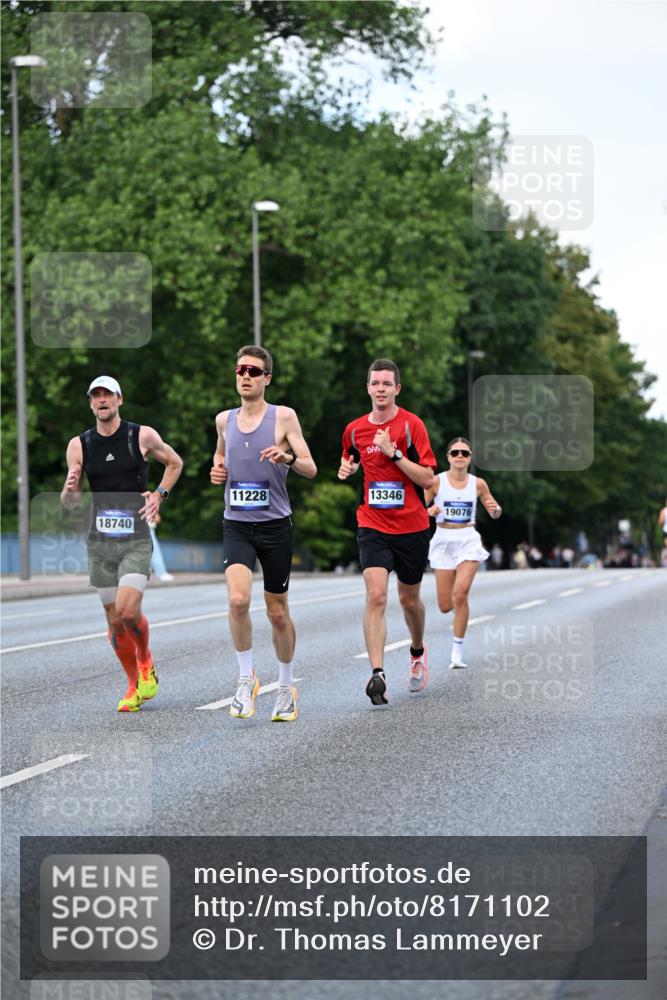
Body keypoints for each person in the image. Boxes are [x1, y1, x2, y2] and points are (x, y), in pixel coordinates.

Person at [61, 376, 183, 712]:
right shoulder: (79, 445)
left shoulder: (140, 435)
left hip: (134, 540)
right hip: (100, 543)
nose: (102, 400)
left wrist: (160, 494)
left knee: (129, 611)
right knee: (114, 620)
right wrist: (71, 486)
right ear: (90, 403)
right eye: (96, 396)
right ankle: (133, 684)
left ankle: (145, 659)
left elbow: (175, 463)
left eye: (107, 395)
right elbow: (69, 502)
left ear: (119, 400)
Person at [210, 346, 317, 722]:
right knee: (238, 600)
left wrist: (286, 457)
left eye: (254, 371)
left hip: (275, 525)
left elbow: (310, 467)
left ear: (267, 378)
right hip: (237, 522)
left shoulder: (283, 417)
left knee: (277, 611)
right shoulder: (225, 420)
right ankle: (245, 678)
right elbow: (220, 458)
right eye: (240, 370)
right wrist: (217, 471)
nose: (246, 376)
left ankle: (286, 686)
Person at [338, 359, 436, 704]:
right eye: (374, 383)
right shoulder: (353, 430)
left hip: (412, 526)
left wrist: (393, 453)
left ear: (397, 389)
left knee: (409, 600)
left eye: (386, 384)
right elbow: (348, 457)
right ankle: (377, 673)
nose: (380, 389)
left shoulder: (411, 426)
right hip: (372, 523)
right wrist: (345, 468)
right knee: (376, 595)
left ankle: (417, 650)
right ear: (368, 388)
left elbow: (428, 479)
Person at [425, 436, 501, 669]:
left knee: (461, 594)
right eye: (455, 453)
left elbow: (494, 508)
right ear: (448, 457)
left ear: (470, 458)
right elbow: (419, 508)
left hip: (467, 539)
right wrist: (429, 509)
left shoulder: (478, 484)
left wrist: (495, 510)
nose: (460, 457)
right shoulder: (436, 482)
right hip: (443, 541)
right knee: (445, 605)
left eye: (465, 453)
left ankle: (457, 652)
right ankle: (457, 623)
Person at [148, 511, 174, 582]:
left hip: (144, 529)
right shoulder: (145, 501)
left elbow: (157, 519)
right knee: (155, 552)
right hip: (147, 530)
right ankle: (161, 573)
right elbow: (157, 519)